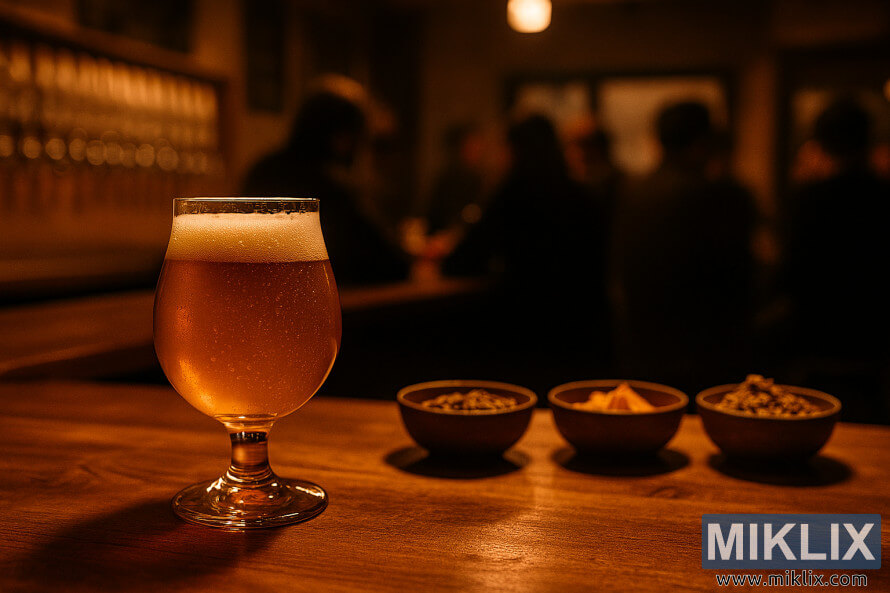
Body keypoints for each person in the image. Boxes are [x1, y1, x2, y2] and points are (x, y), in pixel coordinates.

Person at [443, 114, 608, 388]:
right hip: (580, 332)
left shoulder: (512, 193)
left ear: (515, 149)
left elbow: (462, 260)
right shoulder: (582, 195)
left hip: (522, 331)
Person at [611, 101, 757, 392]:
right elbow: (738, 281)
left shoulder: (631, 193)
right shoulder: (717, 197)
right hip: (704, 357)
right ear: (702, 143)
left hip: (640, 351)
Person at [242, 80, 408, 286]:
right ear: (343, 138)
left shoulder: (262, 169)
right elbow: (392, 263)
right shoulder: (330, 187)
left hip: (255, 297)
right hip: (330, 308)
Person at [786, 98, 890, 361]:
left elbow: (792, 271)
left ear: (820, 143)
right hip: (875, 326)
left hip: (814, 327)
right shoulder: (881, 195)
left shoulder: (811, 197)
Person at [425, 123, 487, 234]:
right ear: (460, 148)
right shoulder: (449, 178)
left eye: (478, 145)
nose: (478, 150)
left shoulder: (478, 178)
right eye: (472, 145)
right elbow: (435, 214)